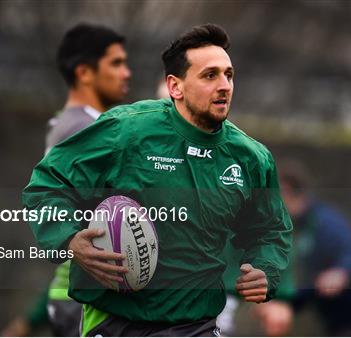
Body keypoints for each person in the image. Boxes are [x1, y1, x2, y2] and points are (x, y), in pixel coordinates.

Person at [22, 24, 292, 337]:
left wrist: (265, 270)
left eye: (228, 75)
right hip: (115, 322)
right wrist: (69, 238)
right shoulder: (127, 131)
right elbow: (48, 183)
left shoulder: (250, 158)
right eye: (210, 75)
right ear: (175, 87)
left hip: (196, 325)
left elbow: (270, 230)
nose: (224, 86)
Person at [0, 23, 131, 337]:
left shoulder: (74, 122)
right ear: (84, 72)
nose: (126, 72)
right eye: (115, 63)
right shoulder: (83, 129)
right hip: (85, 301)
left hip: (73, 296)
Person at [254, 160, 351, 336]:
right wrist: (282, 305)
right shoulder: (297, 229)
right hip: (339, 327)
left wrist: (340, 272)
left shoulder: (325, 221)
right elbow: (312, 286)